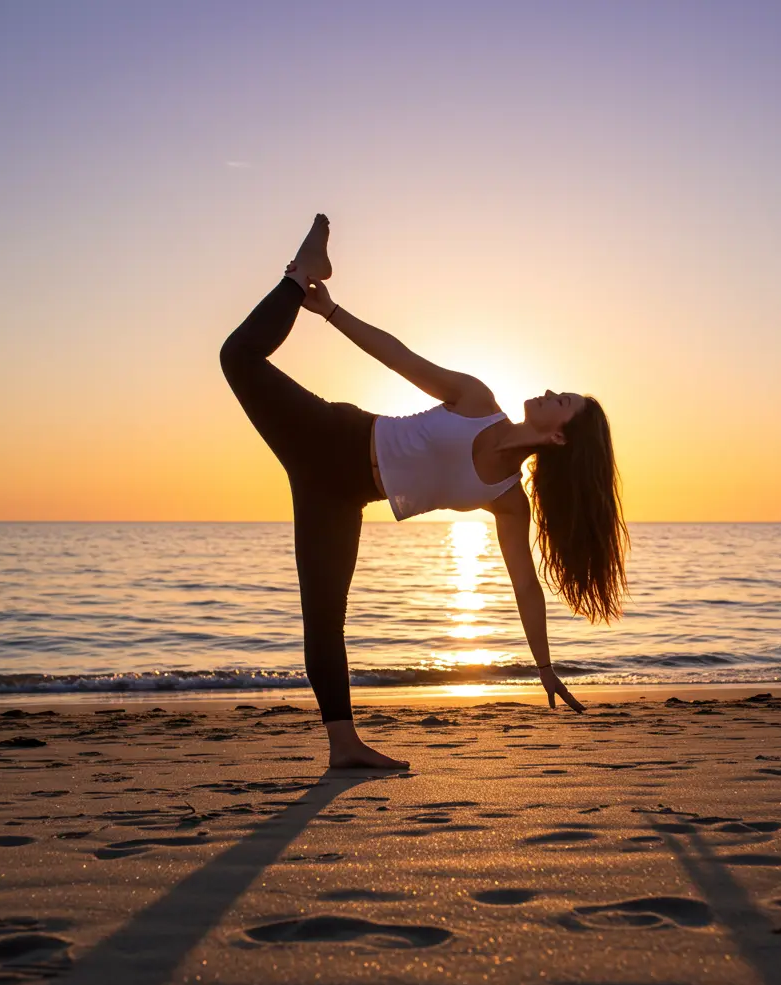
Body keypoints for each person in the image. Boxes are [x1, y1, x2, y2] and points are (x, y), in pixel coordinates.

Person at [220, 215, 628, 768]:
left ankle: (344, 747)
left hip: (341, 496)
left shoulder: (509, 499)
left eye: (563, 400)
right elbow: (399, 357)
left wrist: (544, 667)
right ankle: (301, 276)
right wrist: (330, 311)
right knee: (237, 358)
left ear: (558, 435)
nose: (551, 390)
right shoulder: (478, 399)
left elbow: (526, 586)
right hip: (332, 436)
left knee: (323, 616)